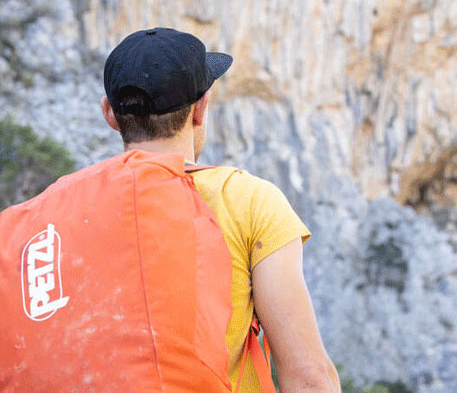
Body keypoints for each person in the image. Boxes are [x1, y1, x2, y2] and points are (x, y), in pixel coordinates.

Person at [100, 27, 340, 392]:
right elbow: (308, 377)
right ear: (201, 108)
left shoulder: (67, 214)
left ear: (111, 114)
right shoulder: (246, 200)